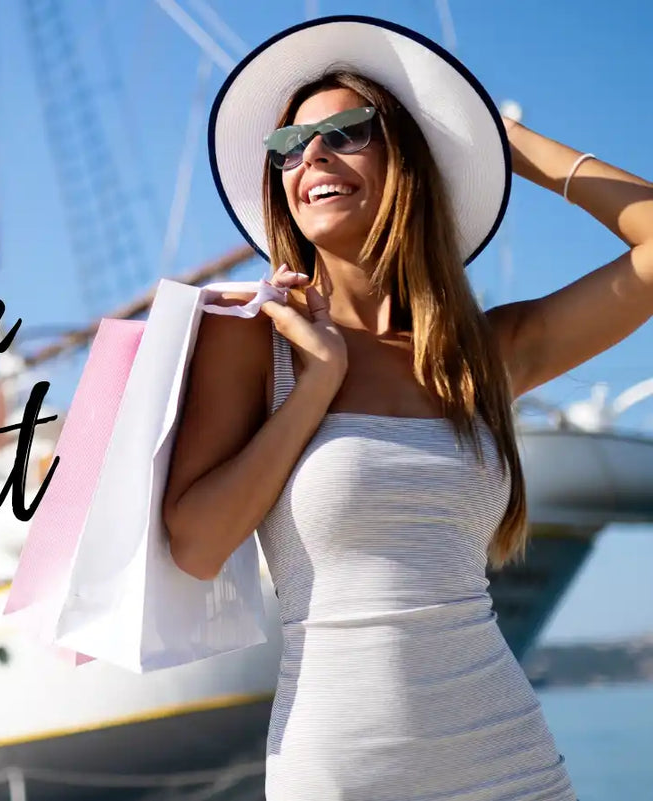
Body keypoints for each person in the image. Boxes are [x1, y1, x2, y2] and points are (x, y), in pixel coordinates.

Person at [163, 15, 652, 801]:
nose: (311, 155)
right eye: (289, 147)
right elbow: (195, 544)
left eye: (344, 133)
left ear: (408, 162)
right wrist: (314, 388)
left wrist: (503, 143)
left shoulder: (480, 355)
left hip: (510, 764)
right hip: (341, 772)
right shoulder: (255, 340)